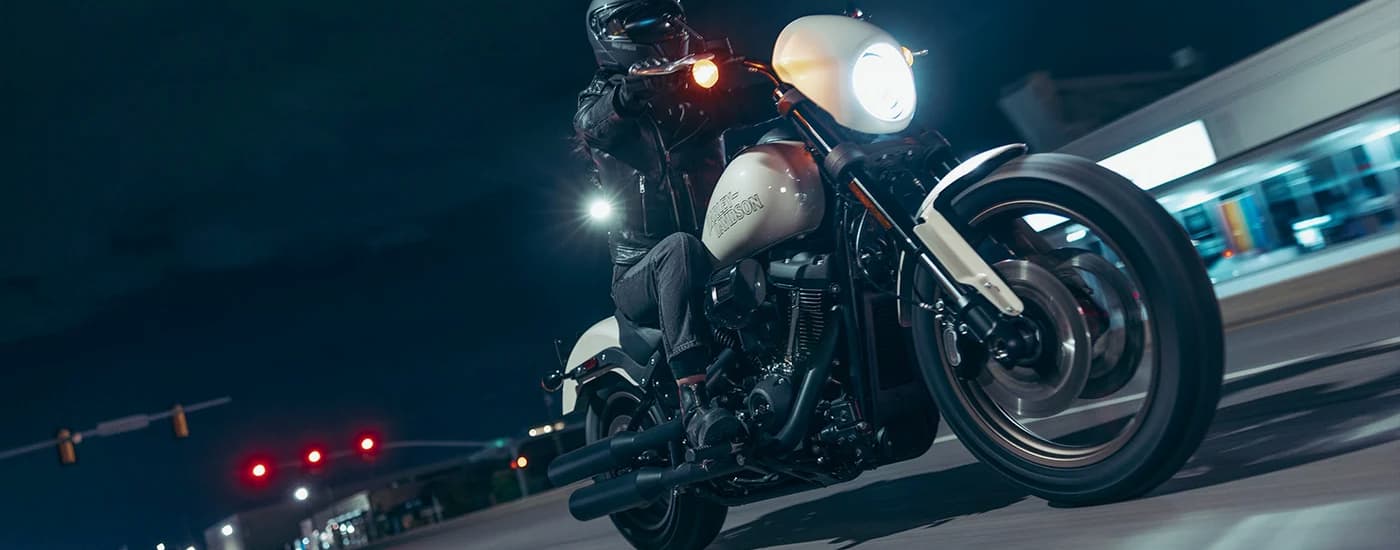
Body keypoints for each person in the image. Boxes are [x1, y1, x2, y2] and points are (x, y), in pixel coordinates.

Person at [575, 0, 773, 449]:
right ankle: (695, 402)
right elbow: (595, 123)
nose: (657, 27)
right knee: (679, 248)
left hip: (716, 250)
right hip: (641, 272)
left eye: (663, 16)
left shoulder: (696, 99)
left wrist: (796, 81)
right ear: (608, 32)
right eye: (639, 20)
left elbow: (752, 103)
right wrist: (630, 94)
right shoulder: (600, 101)